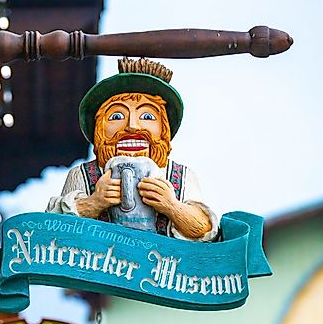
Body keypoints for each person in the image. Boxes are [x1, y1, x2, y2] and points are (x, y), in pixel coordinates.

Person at [47, 57, 218, 242]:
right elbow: (54, 229)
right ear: (99, 128)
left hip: (163, 267)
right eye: (117, 116)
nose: (133, 126)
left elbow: (205, 230)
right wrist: (93, 203)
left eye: (147, 116)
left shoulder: (181, 175)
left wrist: (172, 206)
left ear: (164, 129)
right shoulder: (82, 175)